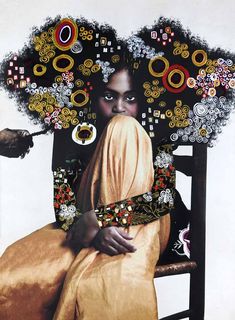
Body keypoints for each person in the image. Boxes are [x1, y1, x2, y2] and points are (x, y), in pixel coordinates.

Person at [0, 66, 171, 320]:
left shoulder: (158, 133)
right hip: (82, 227)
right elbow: (65, 206)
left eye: (130, 97)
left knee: (123, 127)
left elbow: (162, 200)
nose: (119, 106)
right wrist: (94, 232)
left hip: (145, 226)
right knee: (12, 278)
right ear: (92, 96)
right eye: (109, 96)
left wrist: (101, 218)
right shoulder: (72, 133)